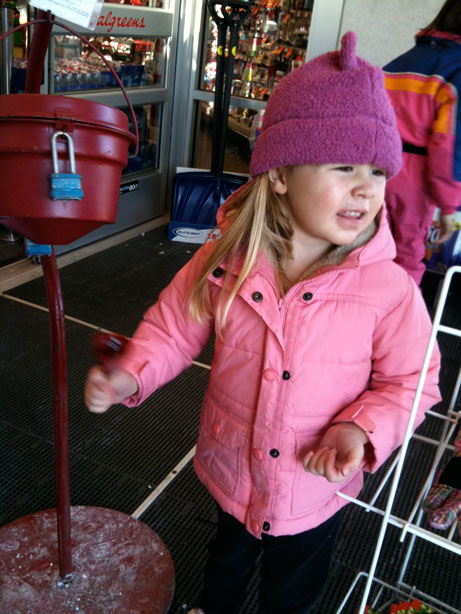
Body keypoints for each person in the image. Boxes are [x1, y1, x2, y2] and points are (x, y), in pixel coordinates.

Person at [85, 32, 441, 614]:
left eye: (377, 171)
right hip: (232, 473)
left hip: (314, 492)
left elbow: (415, 381)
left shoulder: (389, 288)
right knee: (223, 571)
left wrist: (362, 430)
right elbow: (175, 326)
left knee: (291, 595)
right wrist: (131, 374)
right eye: (343, 165)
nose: (365, 189)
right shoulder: (227, 257)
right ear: (279, 174)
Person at [383, 0, 461, 285]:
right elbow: (449, 147)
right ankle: (398, 324)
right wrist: (449, 206)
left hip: (375, 169)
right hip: (416, 180)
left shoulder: (402, 61)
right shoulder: (457, 70)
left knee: (368, 249)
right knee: (407, 255)